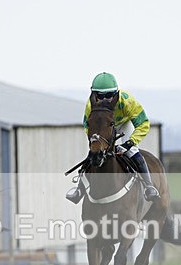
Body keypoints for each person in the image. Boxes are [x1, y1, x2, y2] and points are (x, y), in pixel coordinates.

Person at [66, 72, 160, 203]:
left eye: (109, 95)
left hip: (123, 124)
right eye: (100, 96)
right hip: (104, 127)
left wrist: (130, 142)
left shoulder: (127, 101)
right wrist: (95, 141)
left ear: (116, 94)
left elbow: (143, 123)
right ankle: (79, 190)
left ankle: (149, 186)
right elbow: (88, 125)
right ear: (94, 95)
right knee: (94, 152)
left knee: (132, 151)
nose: (105, 99)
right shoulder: (90, 105)